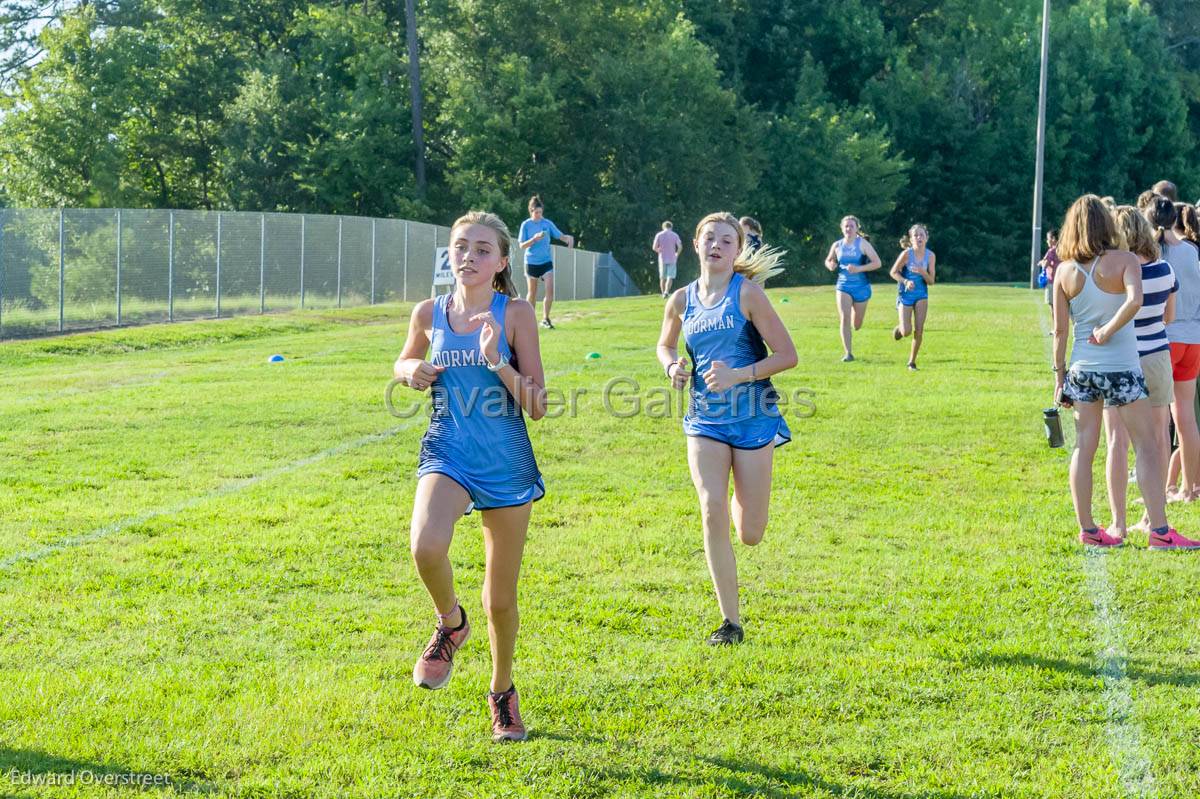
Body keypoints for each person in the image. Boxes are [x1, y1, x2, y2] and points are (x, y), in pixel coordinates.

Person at [394, 210, 548, 742]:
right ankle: (450, 624)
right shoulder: (428, 312)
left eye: (483, 250)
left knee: (500, 600)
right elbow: (403, 360)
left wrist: (498, 360)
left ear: (502, 262)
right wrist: (406, 370)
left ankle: (502, 691)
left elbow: (538, 404)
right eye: (461, 247)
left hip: (505, 461)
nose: (469, 257)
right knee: (425, 546)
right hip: (448, 450)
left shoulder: (517, 313)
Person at [657, 212, 798, 645]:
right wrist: (672, 368)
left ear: (737, 250)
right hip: (704, 420)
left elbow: (788, 355)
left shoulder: (748, 294)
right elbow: (664, 344)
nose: (716, 246)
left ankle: (742, 491)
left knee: (750, 533)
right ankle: (730, 623)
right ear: (695, 245)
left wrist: (740, 375)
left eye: (726, 240)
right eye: (709, 239)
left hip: (754, 419)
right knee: (710, 507)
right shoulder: (681, 300)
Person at [1052, 194, 1195, 549]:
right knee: (1147, 444)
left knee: (1085, 447)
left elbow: (1060, 331)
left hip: (1082, 369)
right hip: (1122, 367)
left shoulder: (1064, 271)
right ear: (1106, 224)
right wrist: (1111, 329)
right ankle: (1160, 531)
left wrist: (1059, 378)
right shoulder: (1126, 260)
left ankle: (1089, 529)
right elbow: (1134, 300)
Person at [1102, 206, 1177, 538]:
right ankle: (1152, 517)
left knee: (1117, 441)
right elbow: (1168, 318)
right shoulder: (1165, 270)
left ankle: (1118, 522)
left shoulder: (1115, 274)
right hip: (1157, 356)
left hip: (1122, 358)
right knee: (1159, 439)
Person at [1151, 196, 1200, 502]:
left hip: (1166, 337)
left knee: (1159, 424)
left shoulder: (1154, 252)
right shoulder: (1192, 251)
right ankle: (1189, 487)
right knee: (1187, 419)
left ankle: (1159, 491)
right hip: (1193, 338)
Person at [823, 215, 882, 362]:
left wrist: (859, 268)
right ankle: (848, 353)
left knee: (857, 324)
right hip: (843, 286)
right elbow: (829, 259)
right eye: (846, 226)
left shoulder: (862, 244)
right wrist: (830, 264)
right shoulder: (837, 245)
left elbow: (877, 263)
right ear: (842, 228)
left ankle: (856, 324)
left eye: (851, 226)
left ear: (857, 229)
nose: (848, 229)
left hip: (861, 287)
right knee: (844, 318)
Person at [518, 195, 574, 330]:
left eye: (540, 212)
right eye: (536, 213)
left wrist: (568, 239)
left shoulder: (547, 223)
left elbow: (559, 235)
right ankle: (529, 320)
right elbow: (521, 245)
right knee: (532, 293)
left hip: (546, 261)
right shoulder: (526, 225)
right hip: (531, 262)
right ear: (531, 211)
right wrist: (534, 239)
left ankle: (545, 319)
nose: (539, 215)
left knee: (550, 290)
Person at [889, 224, 936, 370]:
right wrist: (906, 281)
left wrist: (923, 272)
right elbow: (893, 272)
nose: (919, 238)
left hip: (921, 295)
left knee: (919, 329)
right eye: (915, 235)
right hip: (906, 295)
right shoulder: (906, 255)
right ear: (911, 239)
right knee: (906, 331)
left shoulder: (931, 256)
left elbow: (931, 281)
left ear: (926, 238)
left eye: (921, 235)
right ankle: (899, 329)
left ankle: (912, 362)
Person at [653, 221, 683, 297]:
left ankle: (663, 293)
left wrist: (659, 250)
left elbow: (654, 247)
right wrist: (677, 254)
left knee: (662, 277)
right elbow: (680, 247)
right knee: (670, 276)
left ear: (663, 227)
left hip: (662, 258)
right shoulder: (675, 235)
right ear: (671, 227)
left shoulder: (659, 235)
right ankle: (666, 291)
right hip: (672, 258)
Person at [1039, 229, 1060, 307]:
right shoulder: (1064, 249)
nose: (1047, 241)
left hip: (1052, 282)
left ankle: (1055, 320)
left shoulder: (1051, 251)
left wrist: (1041, 263)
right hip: (1063, 281)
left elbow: (1045, 264)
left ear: (1053, 239)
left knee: (1052, 306)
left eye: (1048, 239)